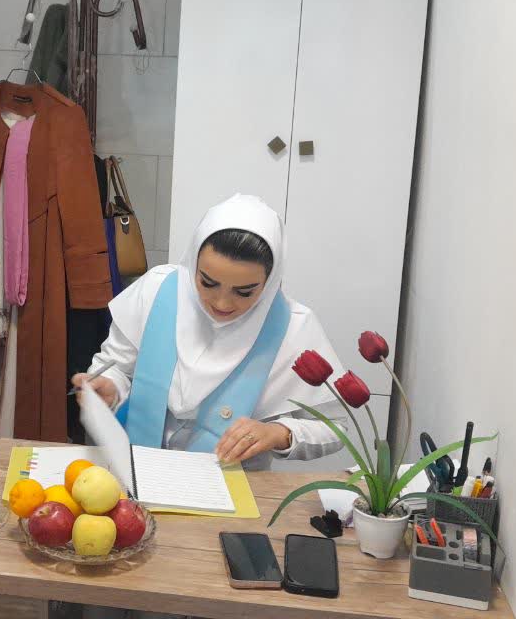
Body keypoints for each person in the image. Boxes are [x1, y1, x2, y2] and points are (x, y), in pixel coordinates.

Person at [72, 194, 346, 470]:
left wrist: (278, 433)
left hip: (234, 484)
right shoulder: (157, 291)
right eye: (207, 282)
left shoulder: (294, 329)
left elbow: (335, 428)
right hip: (136, 469)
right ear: (193, 263)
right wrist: (108, 387)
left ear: (270, 282)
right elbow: (116, 368)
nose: (222, 304)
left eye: (244, 292)